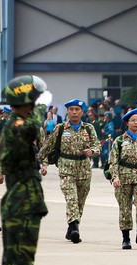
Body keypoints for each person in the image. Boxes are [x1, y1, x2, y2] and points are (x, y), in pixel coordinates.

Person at [0, 75, 50, 265]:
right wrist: (42, 107)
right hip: (21, 205)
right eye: (35, 99)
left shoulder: (17, 124)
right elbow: (31, 126)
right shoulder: (17, 125)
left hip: (24, 204)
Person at [39, 99, 100, 244]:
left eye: (77, 109)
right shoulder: (61, 128)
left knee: (80, 201)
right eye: (71, 109)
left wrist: (92, 151)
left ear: (82, 112)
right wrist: (45, 164)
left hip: (84, 169)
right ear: (67, 111)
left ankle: (72, 226)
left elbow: (97, 145)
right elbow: (46, 148)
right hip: (66, 168)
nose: (74, 112)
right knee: (71, 198)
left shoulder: (88, 128)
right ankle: (74, 228)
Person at [108, 108, 137, 250]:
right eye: (133, 120)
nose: (136, 123)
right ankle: (126, 238)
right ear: (127, 123)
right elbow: (113, 161)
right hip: (123, 177)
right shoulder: (119, 141)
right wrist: (115, 177)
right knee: (125, 208)